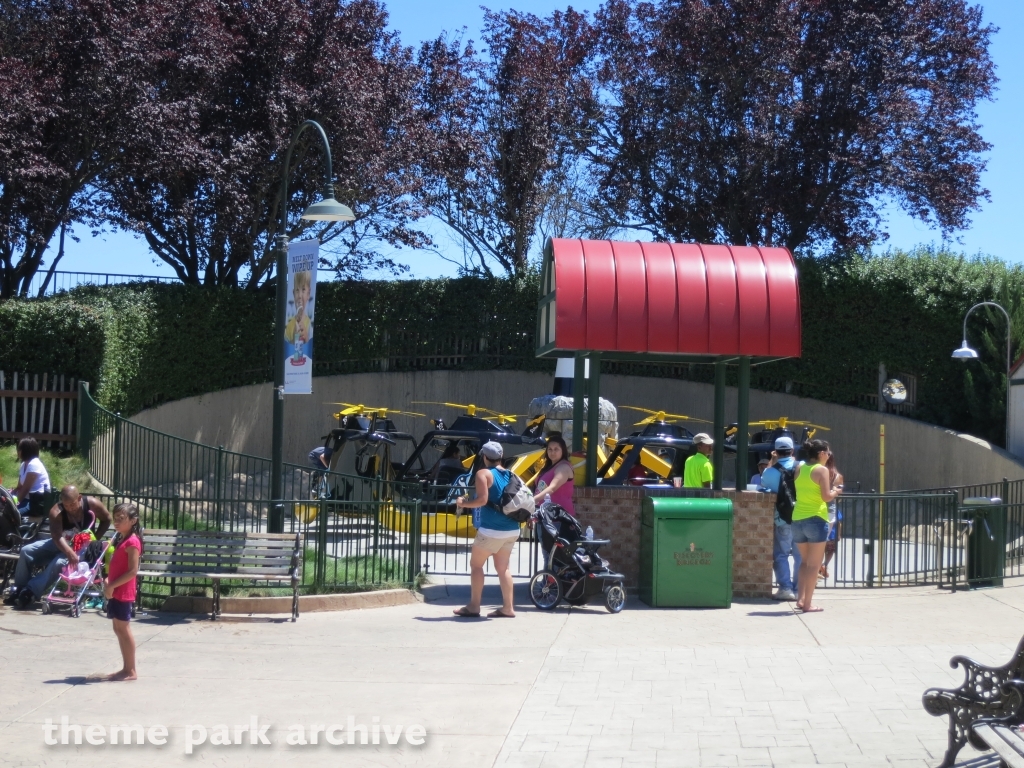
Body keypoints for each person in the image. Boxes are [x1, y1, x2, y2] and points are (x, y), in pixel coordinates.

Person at [7, 485, 111, 608]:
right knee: (26, 551)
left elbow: (107, 519)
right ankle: (20, 588)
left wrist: (95, 539)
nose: (70, 509)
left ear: (79, 498)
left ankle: (31, 592)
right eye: (66, 506)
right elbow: (57, 537)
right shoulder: (56, 511)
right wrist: (68, 551)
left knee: (59, 563)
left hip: (81, 547)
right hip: (61, 543)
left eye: (72, 504)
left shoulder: (92, 504)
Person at [452, 442, 520, 618]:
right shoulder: (511, 473)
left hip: (491, 530)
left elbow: (482, 500)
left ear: (484, 456)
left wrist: (463, 503)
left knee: (476, 565)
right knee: (503, 568)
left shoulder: (483, 473)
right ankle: (508, 607)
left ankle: (474, 606)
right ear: (501, 455)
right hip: (512, 529)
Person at [791, 439, 841, 612]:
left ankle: (800, 599)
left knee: (804, 562)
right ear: (820, 453)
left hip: (797, 518)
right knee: (814, 564)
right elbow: (826, 497)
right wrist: (836, 491)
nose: (828, 456)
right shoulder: (822, 470)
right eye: (827, 452)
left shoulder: (799, 468)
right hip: (816, 518)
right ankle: (808, 604)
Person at [104, 502, 142, 681]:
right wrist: (108, 581)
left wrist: (112, 585)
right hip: (116, 590)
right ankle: (126, 668)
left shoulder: (133, 542)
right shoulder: (122, 539)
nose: (116, 522)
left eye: (121, 519)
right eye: (115, 518)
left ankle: (131, 670)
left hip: (124, 591)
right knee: (118, 628)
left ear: (133, 521)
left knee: (124, 629)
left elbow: (133, 571)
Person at [760, 437, 801, 602]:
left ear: (775, 452)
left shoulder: (769, 471)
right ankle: (800, 589)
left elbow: (764, 486)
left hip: (782, 518)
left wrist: (772, 461)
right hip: (802, 516)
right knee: (801, 557)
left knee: (781, 554)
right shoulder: (802, 467)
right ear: (792, 451)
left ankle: (785, 588)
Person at [532, 433, 575, 515]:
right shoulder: (548, 466)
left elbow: (552, 488)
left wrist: (532, 501)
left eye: (556, 449)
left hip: (559, 517)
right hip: (544, 514)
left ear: (563, 450)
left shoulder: (564, 467)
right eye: (550, 449)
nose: (553, 452)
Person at [10, 438, 51, 516]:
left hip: (35, 503)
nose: (18, 451)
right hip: (26, 500)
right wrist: (9, 494)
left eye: (19, 449)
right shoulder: (23, 464)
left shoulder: (34, 464)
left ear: (25, 451)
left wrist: (13, 504)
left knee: (11, 515)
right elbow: (20, 487)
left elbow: (25, 489)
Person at [820, 453, 844, 579]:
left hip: (818, 508)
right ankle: (823, 565)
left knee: (818, 542)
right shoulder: (837, 476)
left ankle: (820, 566)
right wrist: (835, 491)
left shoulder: (816, 472)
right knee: (829, 543)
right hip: (829, 510)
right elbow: (838, 494)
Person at [284, 270, 312, 346]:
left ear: (308, 294)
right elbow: (287, 351)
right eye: (297, 290)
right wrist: (294, 338)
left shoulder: (310, 325)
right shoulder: (289, 327)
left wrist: (306, 337)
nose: (299, 296)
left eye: (303, 290)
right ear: (293, 293)